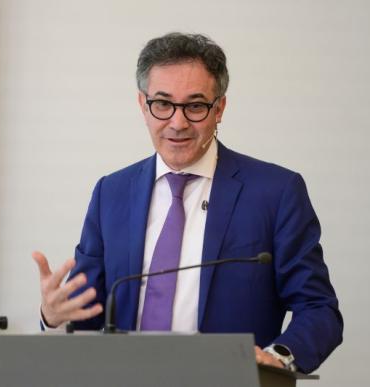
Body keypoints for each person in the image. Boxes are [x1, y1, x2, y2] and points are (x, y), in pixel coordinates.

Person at [33, 32, 343, 374]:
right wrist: (54, 318)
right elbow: (86, 317)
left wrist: (278, 357)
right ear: (142, 104)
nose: (178, 123)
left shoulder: (276, 192)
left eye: (195, 106)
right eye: (163, 104)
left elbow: (318, 307)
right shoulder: (111, 193)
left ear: (219, 108)